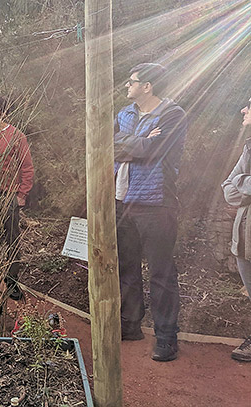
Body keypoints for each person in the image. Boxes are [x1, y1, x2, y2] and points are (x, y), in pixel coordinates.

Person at [114, 63, 188, 362]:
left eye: (131, 82)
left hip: (157, 203)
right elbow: (112, 145)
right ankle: (131, 325)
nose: (126, 87)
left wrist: (135, 145)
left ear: (148, 86)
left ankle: (167, 338)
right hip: (123, 200)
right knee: (127, 267)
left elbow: (156, 151)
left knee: (161, 273)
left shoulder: (173, 114)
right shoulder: (125, 113)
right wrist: (141, 142)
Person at [0, 95, 34, 301]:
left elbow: (27, 168)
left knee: (12, 240)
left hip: (9, 196)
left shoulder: (16, 136)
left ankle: (11, 281)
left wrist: (22, 195)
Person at [221, 96, 251, 362]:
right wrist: (245, 183)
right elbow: (228, 189)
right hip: (244, 240)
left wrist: (242, 183)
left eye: (249, 105)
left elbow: (236, 185)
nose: (243, 109)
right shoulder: (249, 147)